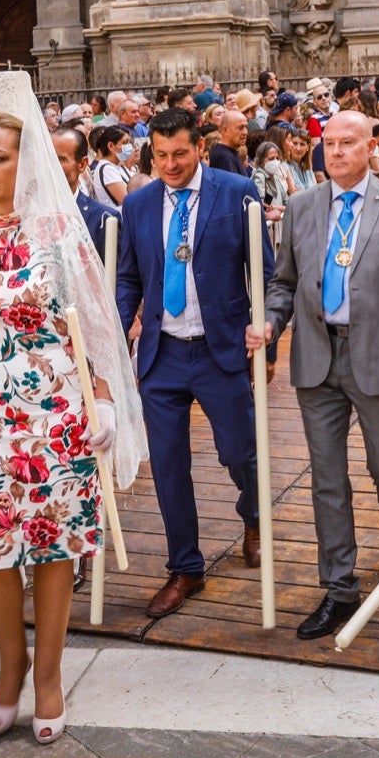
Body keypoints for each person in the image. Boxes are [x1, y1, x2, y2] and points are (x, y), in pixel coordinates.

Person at [0, 72, 146, 743]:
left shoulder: (59, 234)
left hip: (57, 406)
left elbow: (98, 325)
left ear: (24, 163)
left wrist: (108, 400)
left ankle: (51, 673)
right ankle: (11, 665)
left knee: (54, 542)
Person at [252, 110, 379, 640]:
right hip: (316, 357)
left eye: (348, 143)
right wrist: (270, 321)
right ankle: (339, 588)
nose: (335, 152)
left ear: (370, 147)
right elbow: (284, 281)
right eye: (328, 143)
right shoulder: (301, 206)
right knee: (327, 480)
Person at [117, 107, 272, 617]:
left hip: (219, 348)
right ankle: (185, 567)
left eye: (180, 153)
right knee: (167, 466)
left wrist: (265, 336)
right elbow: (129, 279)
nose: (170, 164)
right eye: (160, 155)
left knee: (239, 452)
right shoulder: (138, 205)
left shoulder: (235, 193)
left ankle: (253, 514)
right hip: (162, 355)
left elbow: (265, 274)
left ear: (199, 148)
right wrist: (116, 335)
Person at [51, 127, 112, 256]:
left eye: (59, 159)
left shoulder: (102, 219)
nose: (50, 165)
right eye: (47, 158)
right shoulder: (28, 216)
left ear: (82, 164)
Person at [87, 124, 134, 209]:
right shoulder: (106, 170)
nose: (129, 146)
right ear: (111, 146)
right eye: (124, 142)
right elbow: (127, 200)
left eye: (129, 142)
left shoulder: (119, 166)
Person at [207, 111, 250, 177]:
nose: (245, 132)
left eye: (246, 127)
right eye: (240, 128)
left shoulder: (230, 152)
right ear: (225, 130)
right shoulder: (223, 157)